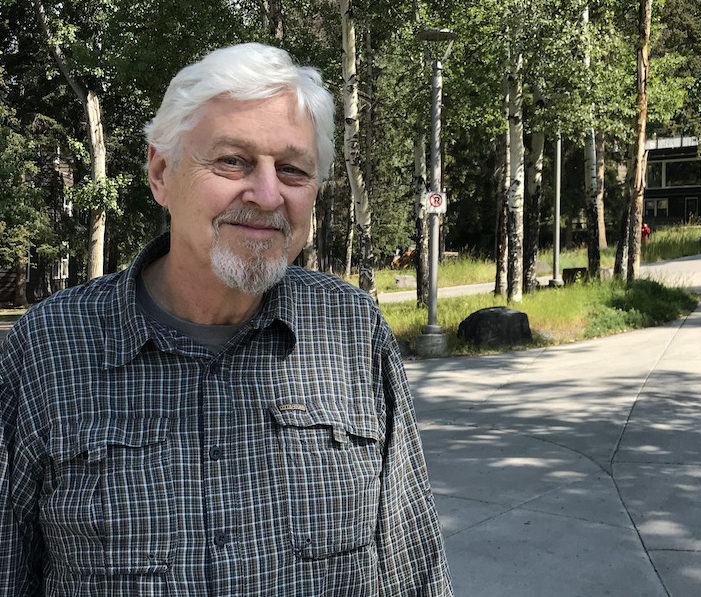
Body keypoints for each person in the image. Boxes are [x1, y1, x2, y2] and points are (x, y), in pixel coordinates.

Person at [0, 43, 452, 596]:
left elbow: (414, 570)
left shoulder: (354, 332)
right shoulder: (46, 350)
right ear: (161, 173)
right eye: (232, 161)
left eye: (292, 170)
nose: (266, 195)